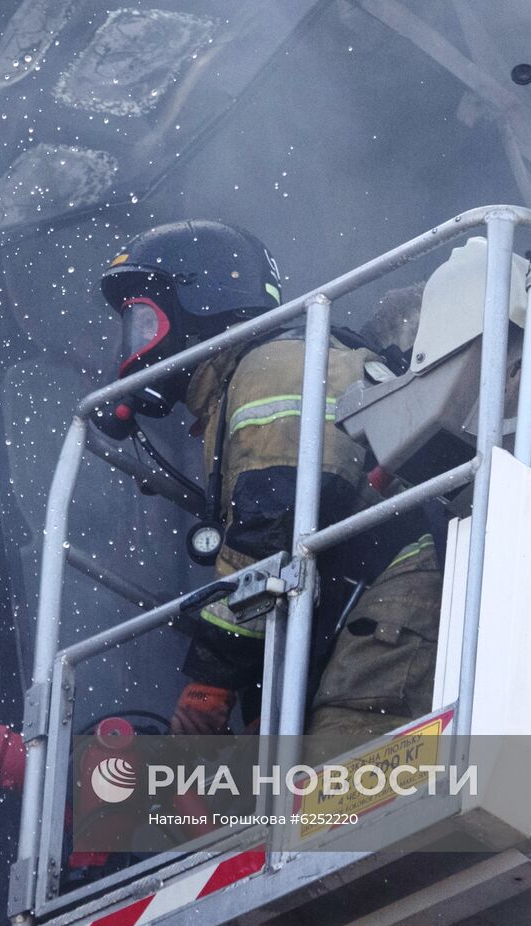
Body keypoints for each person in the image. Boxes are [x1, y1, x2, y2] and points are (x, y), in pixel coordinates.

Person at [94, 220, 432, 737]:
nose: (135, 348)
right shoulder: (253, 378)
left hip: (396, 605)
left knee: (338, 793)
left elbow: (277, 521)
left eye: (144, 323)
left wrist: (210, 678)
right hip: (369, 611)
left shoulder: (272, 366)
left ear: (202, 300)